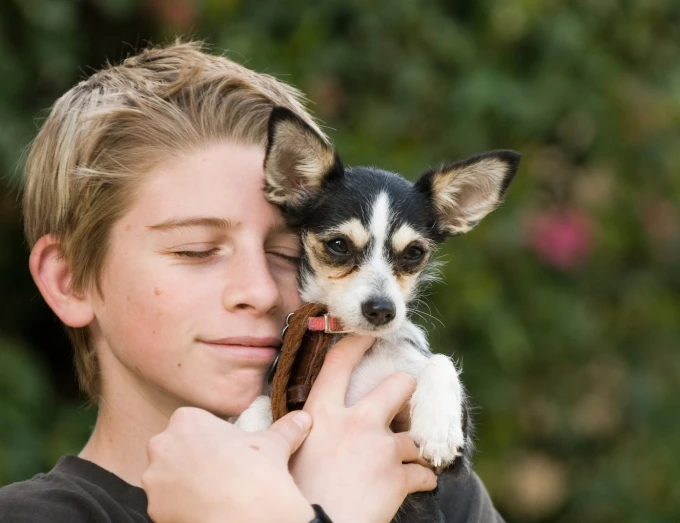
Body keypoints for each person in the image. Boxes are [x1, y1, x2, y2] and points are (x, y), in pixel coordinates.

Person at [0, 41, 505, 522]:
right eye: (195, 251)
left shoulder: (428, 480)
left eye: (287, 254)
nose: (260, 290)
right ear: (69, 281)